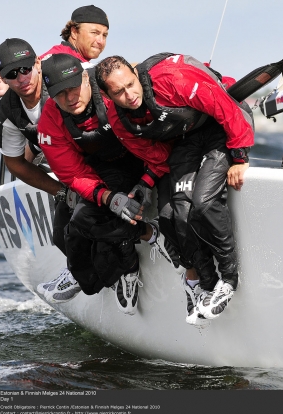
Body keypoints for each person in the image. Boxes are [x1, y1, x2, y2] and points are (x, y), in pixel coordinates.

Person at [96, 53, 253, 324]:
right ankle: (207, 284)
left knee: (202, 203)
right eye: (119, 92)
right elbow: (157, 156)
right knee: (175, 214)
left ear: (135, 74)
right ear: (107, 95)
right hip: (188, 141)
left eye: (131, 84)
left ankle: (229, 281)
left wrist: (239, 157)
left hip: (224, 126)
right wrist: (147, 182)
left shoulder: (173, 80)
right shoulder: (120, 119)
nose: (129, 95)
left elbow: (224, 108)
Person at [35, 53, 178, 314]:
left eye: (74, 88)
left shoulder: (115, 89)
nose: (70, 98)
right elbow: (72, 173)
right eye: (60, 94)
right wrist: (108, 198)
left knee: (88, 222)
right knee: (69, 234)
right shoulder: (51, 120)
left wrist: (147, 181)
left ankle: (128, 264)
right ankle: (143, 242)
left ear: (87, 80)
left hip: (146, 158)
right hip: (103, 171)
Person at [0, 38, 76, 255]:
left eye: (25, 69)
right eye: (12, 74)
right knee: (61, 236)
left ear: (38, 64)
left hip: (101, 156)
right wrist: (61, 193)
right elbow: (16, 164)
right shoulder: (6, 114)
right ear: (3, 78)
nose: (21, 79)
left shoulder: (66, 73)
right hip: (68, 173)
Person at [41, 5, 109, 62]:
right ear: (74, 32)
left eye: (104, 35)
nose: (101, 41)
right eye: (94, 33)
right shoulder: (55, 60)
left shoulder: (84, 65)